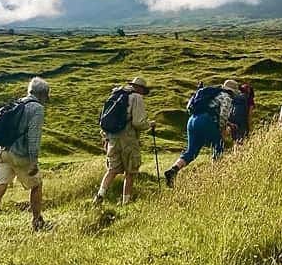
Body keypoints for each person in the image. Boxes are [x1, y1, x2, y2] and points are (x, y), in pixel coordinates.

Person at [0, 77, 49, 239]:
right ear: (43, 94)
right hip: (20, 155)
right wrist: (34, 161)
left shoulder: (17, 103)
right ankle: (37, 221)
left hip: (3, 151)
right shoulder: (37, 108)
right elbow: (33, 138)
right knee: (37, 185)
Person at [164, 80, 239, 188]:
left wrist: (228, 124)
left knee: (191, 151)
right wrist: (222, 129)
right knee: (218, 147)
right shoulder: (227, 96)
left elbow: (211, 110)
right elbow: (223, 115)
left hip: (192, 120)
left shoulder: (212, 94)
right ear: (233, 91)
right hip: (206, 121)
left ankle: (173, 170)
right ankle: (215, 177)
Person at [94, 76, 154, 206]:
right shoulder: (136, 97)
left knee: (112, 169)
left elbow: (104, 120)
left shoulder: (115, 95)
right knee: (130, 171)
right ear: (140, 89)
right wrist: (150, 124)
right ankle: (126, 201)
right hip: (128, 139)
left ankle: (100, 196)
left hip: (112, 138)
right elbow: (138, 122)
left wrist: (106, 137)